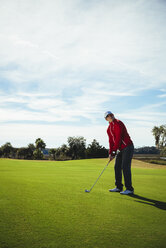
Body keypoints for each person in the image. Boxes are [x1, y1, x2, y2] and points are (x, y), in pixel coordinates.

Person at [104, 111, 134, 195]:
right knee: (117, 167)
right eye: (108, 116)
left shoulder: (118, 123)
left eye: (111, 115)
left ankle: (129, 189)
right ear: (106, 119)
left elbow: (118, 138)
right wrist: (110, 153)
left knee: (125, 167)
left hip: (127, 147)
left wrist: (114, 152)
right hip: (120, 149)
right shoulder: (108, 129)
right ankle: (118, 187)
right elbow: (111, 141)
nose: (111, 116)